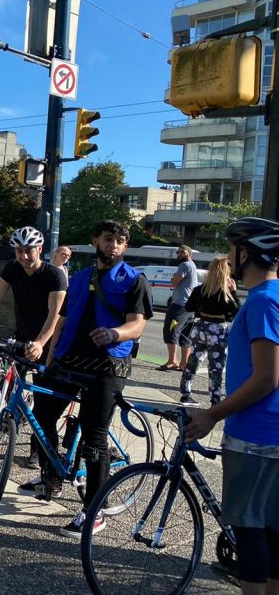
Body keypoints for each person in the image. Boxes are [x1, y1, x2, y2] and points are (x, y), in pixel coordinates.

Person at [29, 219, 153, 538]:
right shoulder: (81, 278)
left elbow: (137, 325)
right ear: (95, 240)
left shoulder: (134, 280)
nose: (114, 245)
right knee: (40, 414)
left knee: (93, 437)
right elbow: (62, 324)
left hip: (109, 366)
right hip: (71, 360)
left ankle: (94, 511)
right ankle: (52, 476)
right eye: (108, 238)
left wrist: (115, 332)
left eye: (120, 241)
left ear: (125, 247)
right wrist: (50, 360)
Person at [185, 217, 279, 595]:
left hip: (256, 436)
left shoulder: (262, 302)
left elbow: (266, 377)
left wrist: (211, 414)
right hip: (269, 436)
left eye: (230, 249)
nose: (227, 256)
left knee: (250, 530)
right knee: (271, 531)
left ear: (244, 253)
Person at [0, 225, 67, 468]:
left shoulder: (54, 275)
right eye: (19, 251)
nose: (24, 256)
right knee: (8, 384)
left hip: (48, 341)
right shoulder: (12, 268)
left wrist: (41, 343)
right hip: (22, 336)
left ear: (40, 249)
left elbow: (55, 315)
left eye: (29, 250)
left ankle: (37, 451)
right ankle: (13, 421)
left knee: (43, 401)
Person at [180, 256, 241, 406]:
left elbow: (188, 307)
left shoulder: (200, 289)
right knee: (216, 366)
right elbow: (237, 311)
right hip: (218, 330)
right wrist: (234, 293)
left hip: (200, 327)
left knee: (193, 360)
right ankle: (215, 399)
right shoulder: (225, 292)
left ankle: (185, 393)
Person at [162, 244, 198, 371]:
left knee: (171, 330)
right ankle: (184, 364)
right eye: (178, 252)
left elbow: (175, 281)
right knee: (185, 334)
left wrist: (173, 278)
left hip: (179, 305)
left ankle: (172, 361)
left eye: (182, 252)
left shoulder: (184, 265)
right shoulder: (193, 266)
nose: (179, 255)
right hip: (190, 306)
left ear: (189, 254)